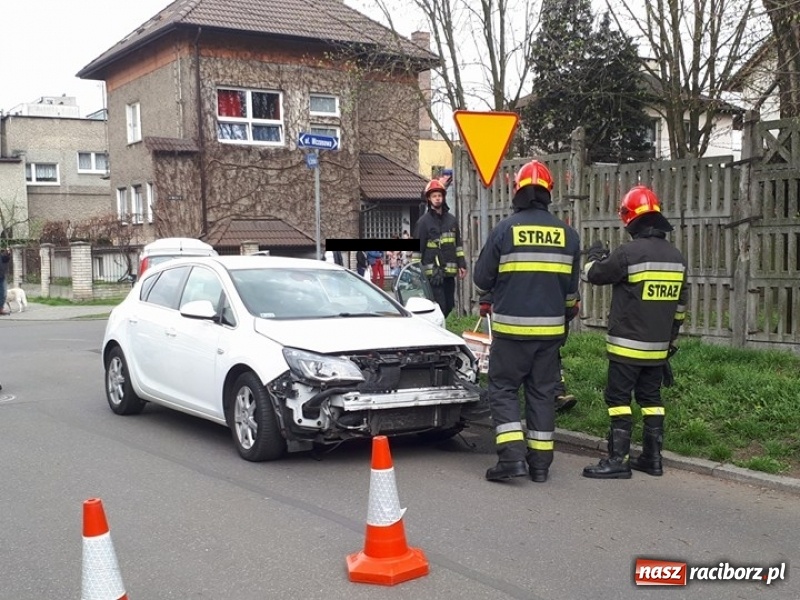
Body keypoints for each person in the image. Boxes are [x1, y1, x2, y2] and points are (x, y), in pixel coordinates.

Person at [473, 160, 581, 483]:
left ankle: (511, 458)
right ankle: (540, 465)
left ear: (517, 191)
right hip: (550, 336)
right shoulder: (569, 235)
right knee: (542, 394)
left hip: (510, 334)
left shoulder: (504, 230)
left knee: (503, 389)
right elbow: (571, 297)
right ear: (548, 193)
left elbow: (481, 277)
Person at [582, 185, 687, 479]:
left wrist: (594, 255)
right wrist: (669, 339)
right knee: (651, 399)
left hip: (626, 346)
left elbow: (594, 275)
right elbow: (680, 306)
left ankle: (618, 461)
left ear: (631, 220)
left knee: (618, 400)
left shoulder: (628, 253)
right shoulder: (677, 257)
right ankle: (653, 459)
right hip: (658, 349)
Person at [478, 292, 578, 413]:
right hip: (527, 320)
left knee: (548, 360)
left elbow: (486, 279)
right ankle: (507, 396)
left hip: (528, 319)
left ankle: (554, 394)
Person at [412, 179, 467, 318]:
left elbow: (458, 244)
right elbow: (417, 249)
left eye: (439, 196)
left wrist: (462, 264)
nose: (437, 198)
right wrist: (416, 272)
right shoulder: (423, 222)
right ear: (429, 199)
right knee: (439, 306)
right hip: (433, 274)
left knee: (449, 305)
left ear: (443, 197)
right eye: (434, 196)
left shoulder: (452, 220)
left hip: (449, 273)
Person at [0, 247, 10, 316]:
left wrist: (8, 253)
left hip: (1, 276)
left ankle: (0, 309)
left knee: (3, 293)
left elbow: (5, 259)